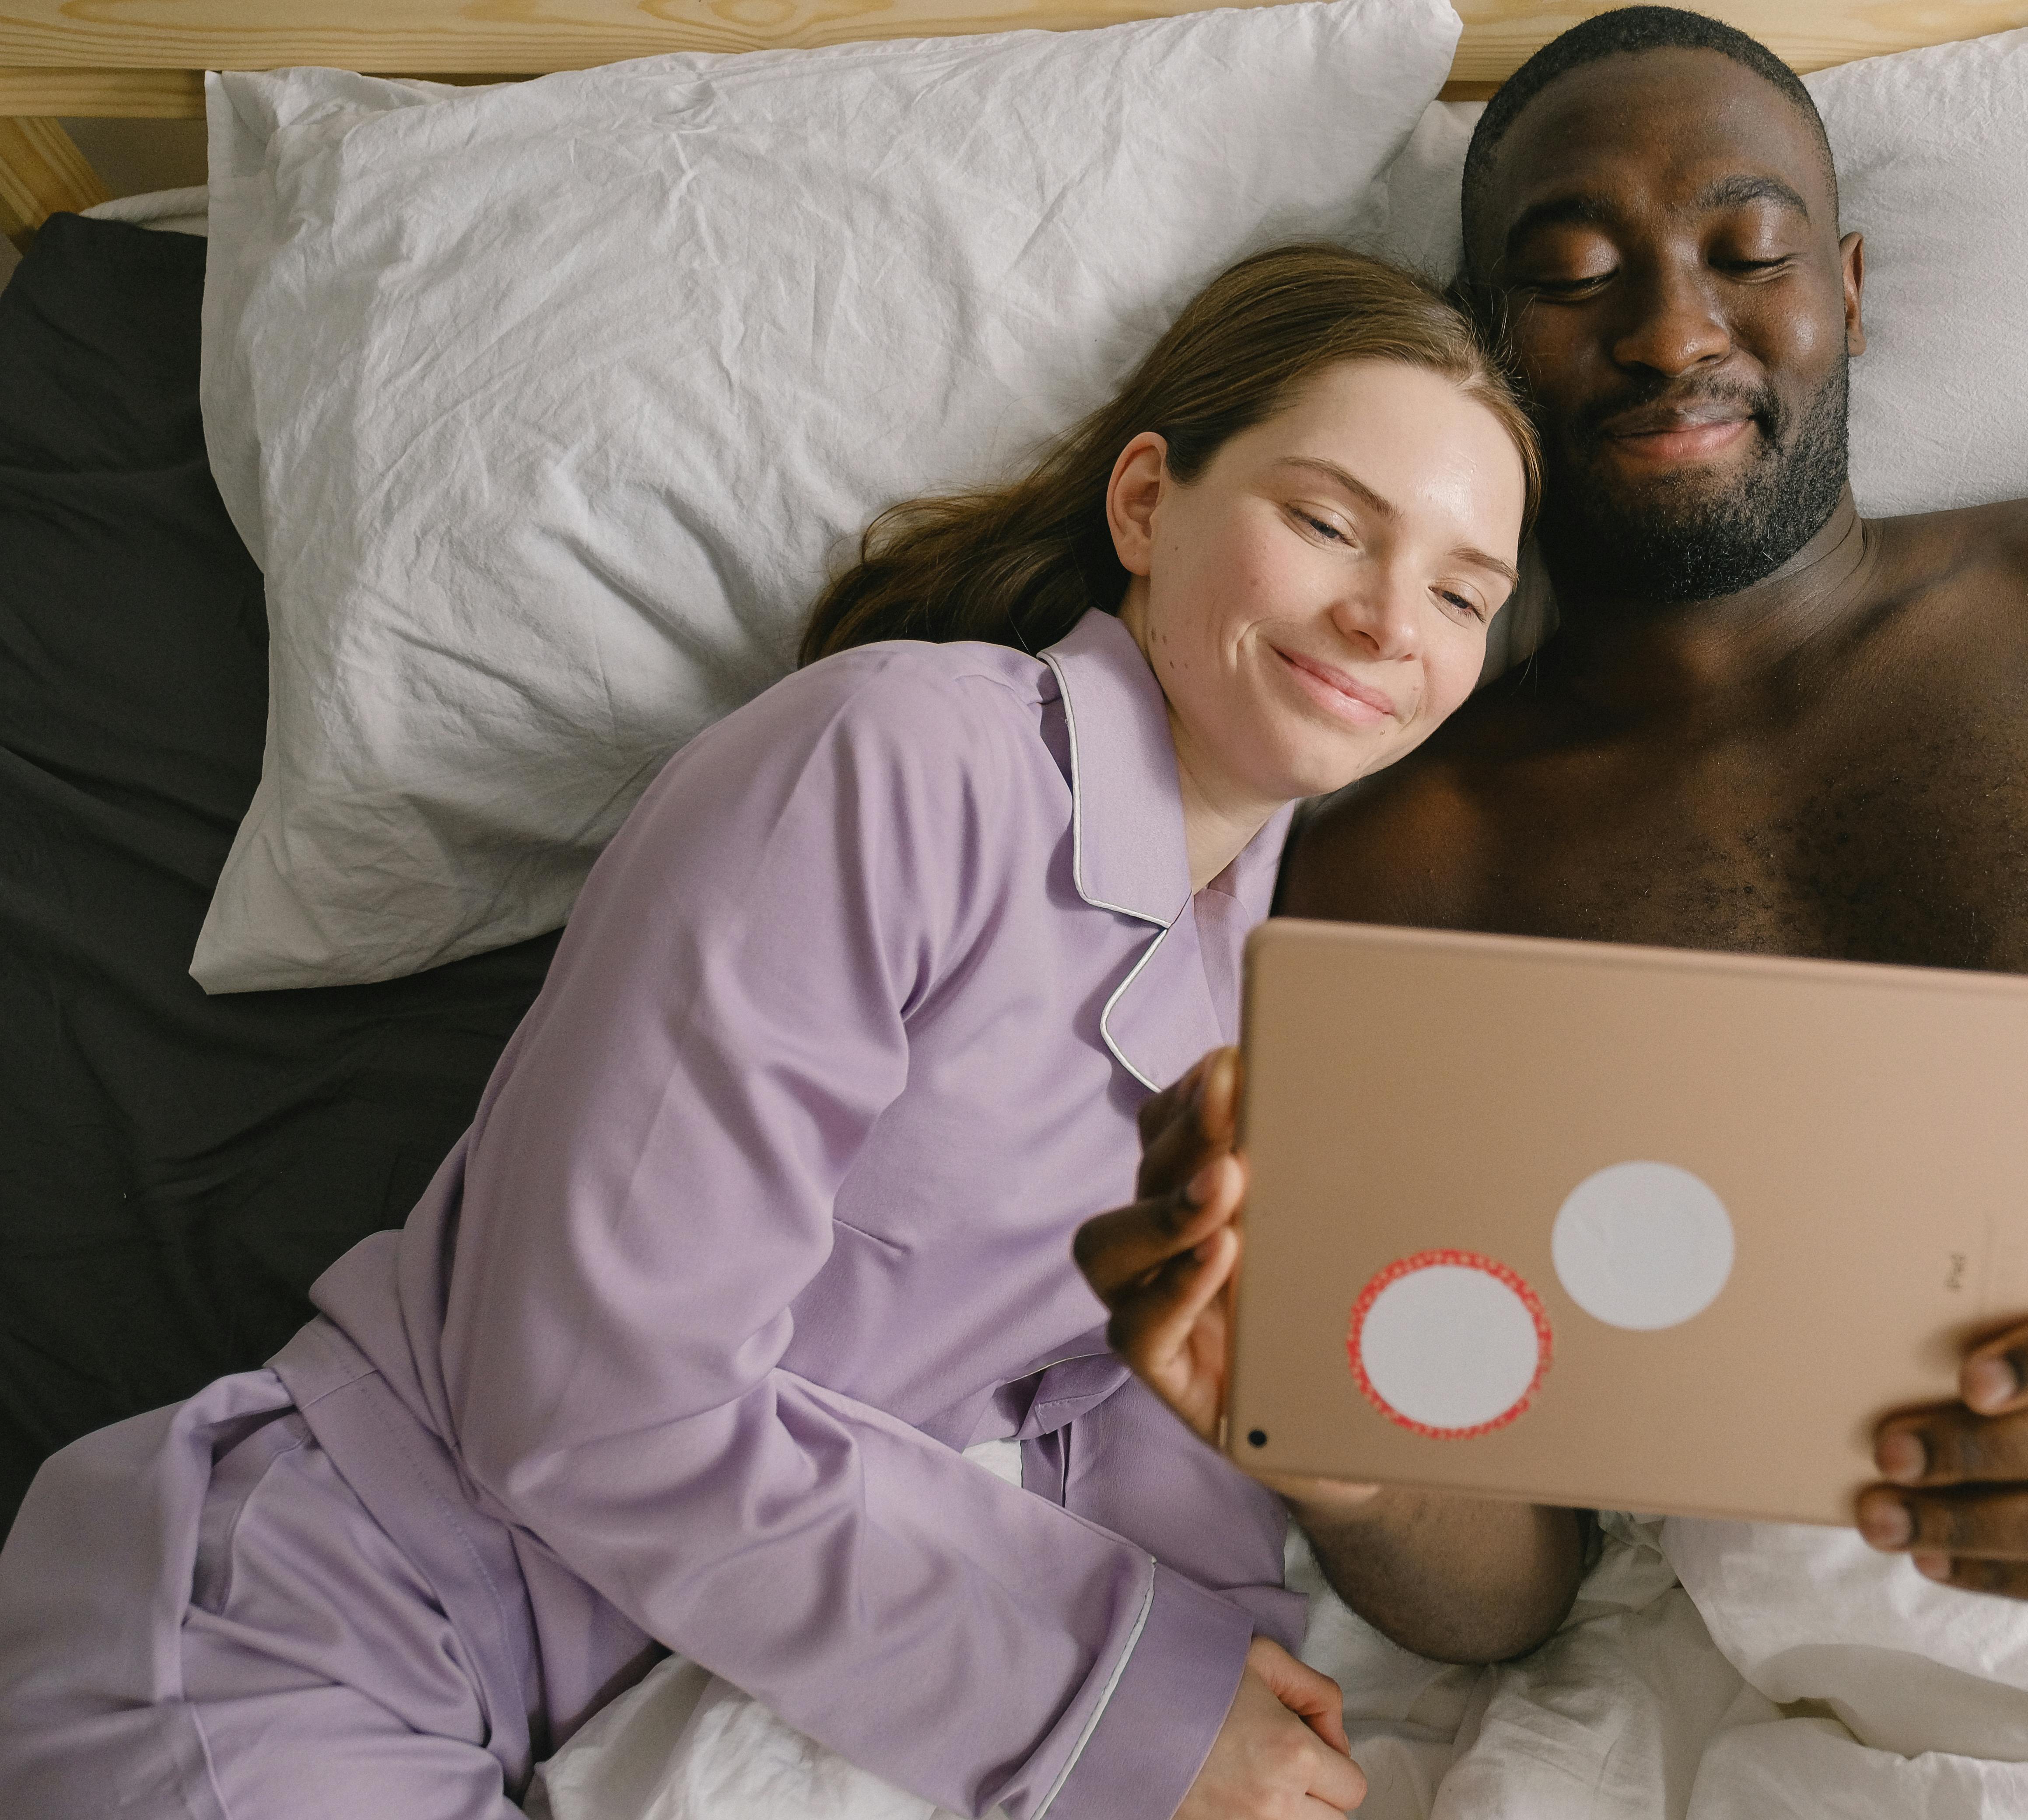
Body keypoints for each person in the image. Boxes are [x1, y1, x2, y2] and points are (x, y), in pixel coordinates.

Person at [1078, 6, 2028, 1661]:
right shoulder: (1409, 856)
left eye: (1750, 254)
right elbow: (1520, 1583)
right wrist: (1343, 1451)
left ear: (1850, 295)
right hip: (1851, 1689)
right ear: (1487, 343)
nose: (1675, 334)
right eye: (1575, 275)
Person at [0, 245, 1535, 1820]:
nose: (1387, 620)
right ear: (1146, 504)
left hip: (662, 1723)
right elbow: (594, 1396)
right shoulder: (905, 759)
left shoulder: (1264, 1008)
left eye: (1462, 593)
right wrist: (1119, 1717)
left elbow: (1147, 1469)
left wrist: (1216, 1691)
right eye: (1330, 523)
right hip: (330, 1627)